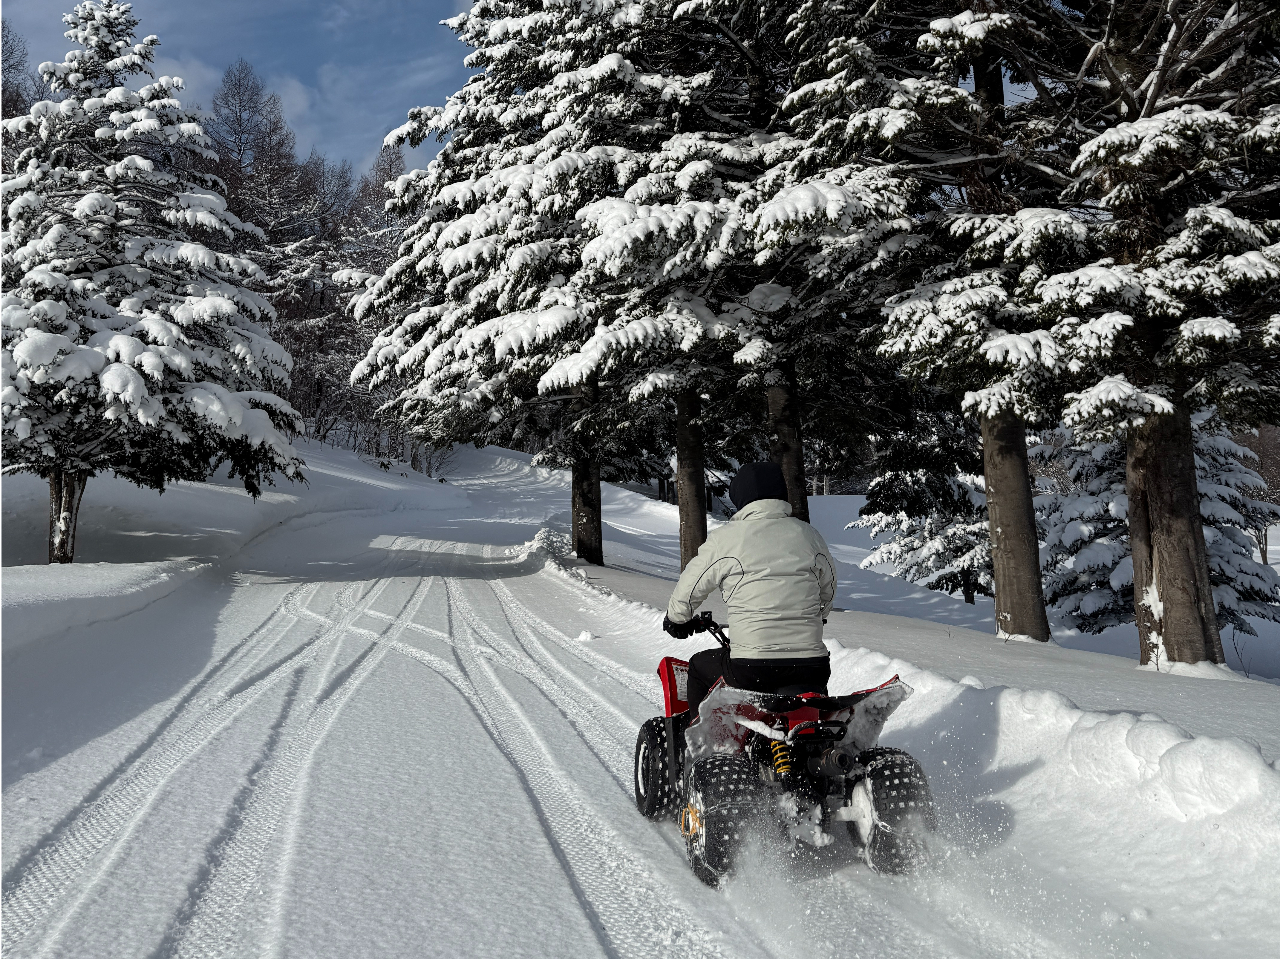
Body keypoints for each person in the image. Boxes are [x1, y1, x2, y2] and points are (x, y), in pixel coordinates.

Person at [663, 462, 837, 718]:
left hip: (752, 666)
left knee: (699, 666)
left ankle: (700, 749)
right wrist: (820, 614)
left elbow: (690, 586)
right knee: (806, 705)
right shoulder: (808, 535)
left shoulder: (728, 538)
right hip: (811, 665)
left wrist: (677, 619)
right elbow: (829, 588)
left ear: (740, 496)